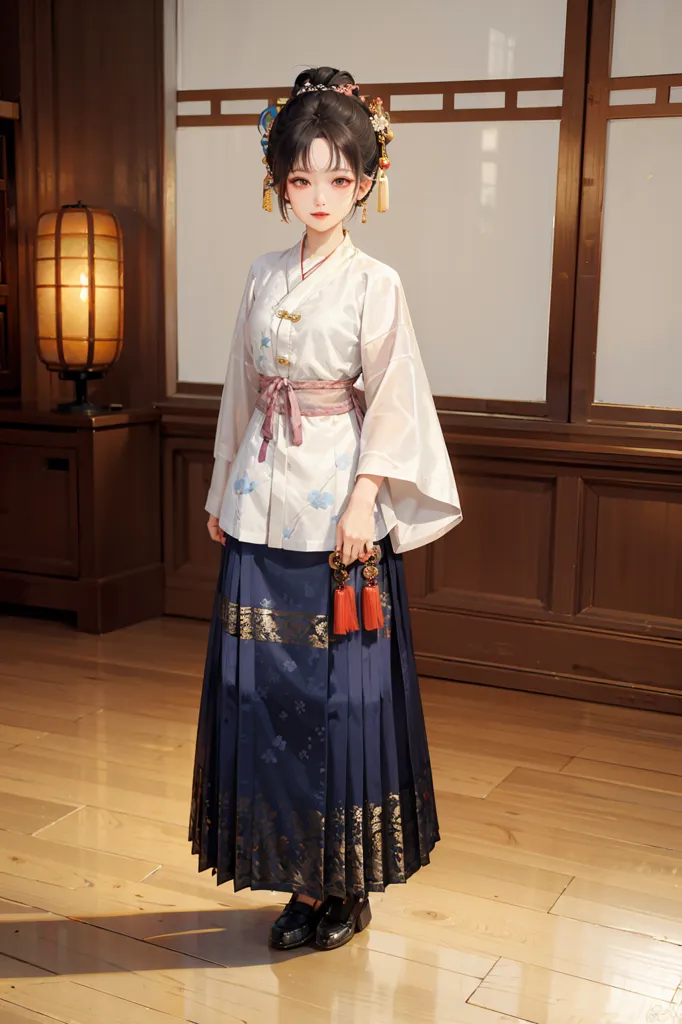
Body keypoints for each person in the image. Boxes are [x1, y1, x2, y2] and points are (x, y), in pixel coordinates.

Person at [188, 65, 462, 953]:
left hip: (339, 516)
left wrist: (366, 501)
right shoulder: (263, 276)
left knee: (335, 703)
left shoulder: (374, 283)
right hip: (261, 507)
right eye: (300, 178)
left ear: (365, 182)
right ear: (278, 181)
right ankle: (292, 877)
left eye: (339, 179)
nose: (319, 196)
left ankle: (343, 884)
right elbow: (240, 387)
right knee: (262, 695)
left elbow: (394, 401)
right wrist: (221, 482)